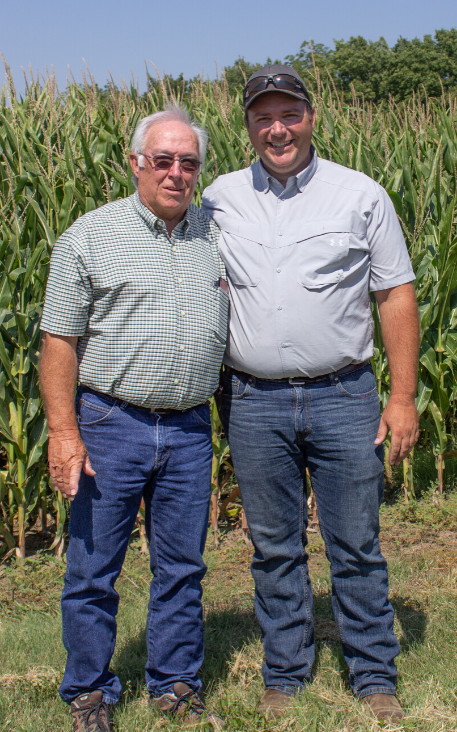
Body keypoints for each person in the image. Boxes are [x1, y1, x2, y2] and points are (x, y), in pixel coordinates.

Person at [202, 64, 419, 724]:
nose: (277, 128)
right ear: (247, 125)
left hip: (342, 394)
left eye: (288, 114)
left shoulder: (359, 195)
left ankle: (373, 673)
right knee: (273, 547)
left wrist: (402, 396)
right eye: (262, 117)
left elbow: (395, 295)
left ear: (310, 117)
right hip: (253, 399)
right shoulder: (218, 198)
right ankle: (285, 670)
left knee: (355, 543)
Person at [40, 105, 228, 732]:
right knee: (94, 567)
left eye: (189, 162)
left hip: (188, 428)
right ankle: (89, 691)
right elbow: (58, 341)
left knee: (182, 566)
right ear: (136, 164)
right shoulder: (89, 237)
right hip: (107, 422)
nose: (176, 172)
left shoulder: (214, 235)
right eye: (163, 160)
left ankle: (175, 683)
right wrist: (64, 432)